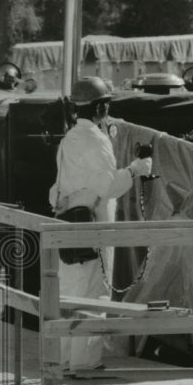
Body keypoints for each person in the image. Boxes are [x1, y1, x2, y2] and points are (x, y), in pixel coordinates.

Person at [48, 77, 152, 300]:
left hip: (69, 226)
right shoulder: (96, 140)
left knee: (69, 296)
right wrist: (136, 169)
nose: (108, 107)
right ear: (98, 106)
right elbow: (108, 186)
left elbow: (57, 189)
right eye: (106, 102)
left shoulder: (69, 138)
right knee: (94, 298)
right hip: (92, 229)